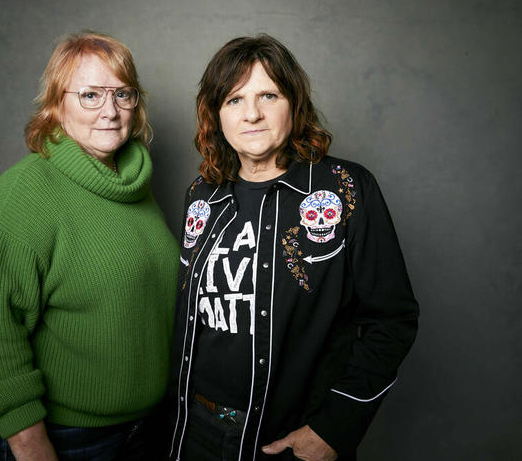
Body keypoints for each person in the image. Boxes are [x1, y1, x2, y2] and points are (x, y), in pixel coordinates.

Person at [167, 34, 419, 461]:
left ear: (294, 103)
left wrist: (334, 428)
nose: (252, 114)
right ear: (216, 114)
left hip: (287, 438)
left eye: (268, 94)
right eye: (233, 99)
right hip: (195, 429)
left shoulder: (345, 189)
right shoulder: (201, 196)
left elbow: (391, 321)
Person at [0, 31, 179, 461]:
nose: (109, 111)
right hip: (68, 439)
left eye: (122, 94)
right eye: (90, 95)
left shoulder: (133, 185)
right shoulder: (25, 194)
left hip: (147, 431)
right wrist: (32, 448)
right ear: (56, 104)